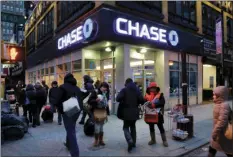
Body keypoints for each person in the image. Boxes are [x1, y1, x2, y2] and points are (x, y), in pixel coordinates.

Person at [55, 73, 83, 157]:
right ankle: (68, 144)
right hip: (76, 110)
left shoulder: (62, 87)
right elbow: (81, 99)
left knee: (70, 131)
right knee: (71, 128)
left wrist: (61, 111)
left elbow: (57, 100)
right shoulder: (77, 88)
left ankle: (75, 153)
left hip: (67, 111)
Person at [116, 78, 144, 153]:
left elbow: (117, 99)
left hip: (126, 112)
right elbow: (142, 100)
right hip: (135, 112)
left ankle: (130, 140)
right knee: (133, 127)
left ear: (126, 83)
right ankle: (134, 143)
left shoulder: (124, 90)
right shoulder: (137, 90)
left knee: (125, 127)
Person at [208, 86, 232, 157]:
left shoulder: (224, 105)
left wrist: (214, 133)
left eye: (215, 95)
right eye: (213, 94)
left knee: (228, 151)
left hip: (223, 134)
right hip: (218, 134)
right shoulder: (218, 104)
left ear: (221, 95)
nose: (213, 96)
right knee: (212, 148)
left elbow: (222, 122)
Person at [88, 82, 110, 147]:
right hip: (96, 110)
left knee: (101, 126)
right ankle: (96, 141)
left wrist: (107, 112)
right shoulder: (95, 92)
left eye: (106, 88)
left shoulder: (105, 93)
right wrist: (96, 100)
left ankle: (101, 140)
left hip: (103, 110)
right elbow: (89, 101)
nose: (105, 89)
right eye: (104, 87)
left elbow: (106, 103)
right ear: (101, 87)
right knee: (97, 126)